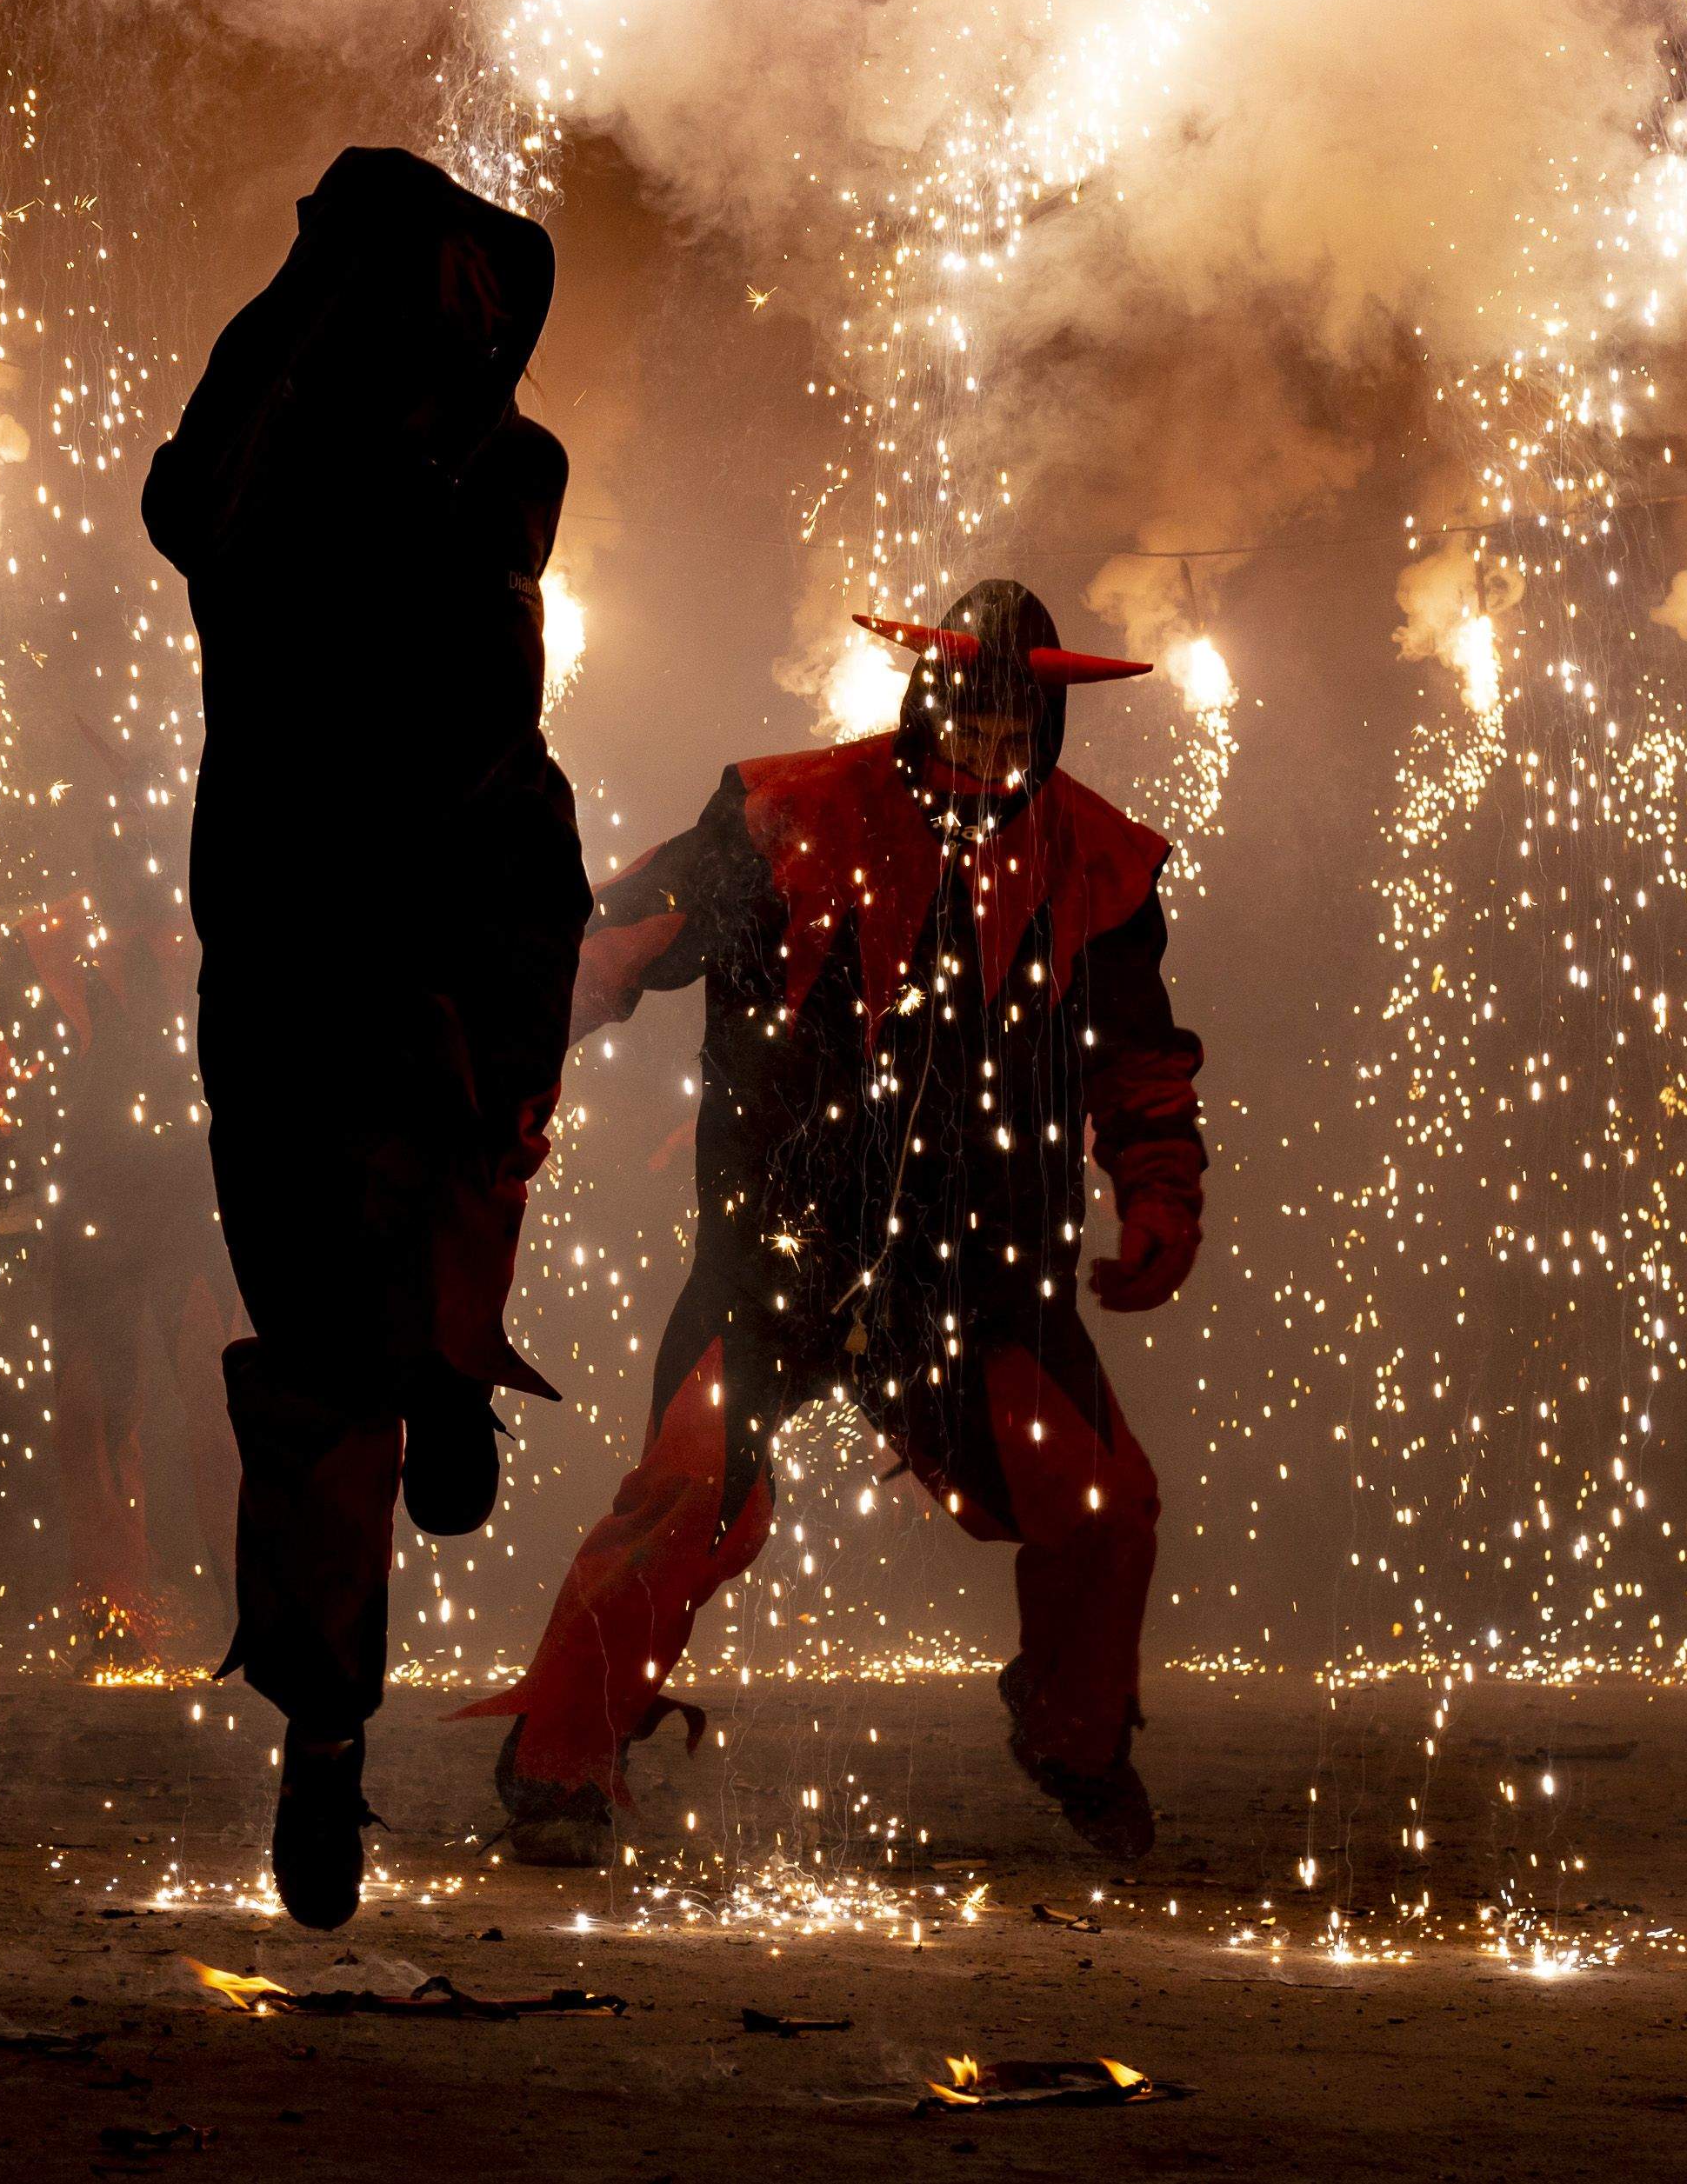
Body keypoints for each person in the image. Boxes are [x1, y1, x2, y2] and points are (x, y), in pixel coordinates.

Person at [462, 581, 1202, 1864]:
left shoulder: (1097, 861)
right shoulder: (783, 814)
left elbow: (1137, 1064)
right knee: (684, 1497)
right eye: (961, 721)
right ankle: (557, 1768)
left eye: (1008, 728)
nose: (979, 750)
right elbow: (614, 943)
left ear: (1046, 727)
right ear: (923, 707)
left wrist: (1159, 1197)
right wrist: (506, 1052)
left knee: (1099, 1502)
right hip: (776, 1256)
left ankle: (1075, 1740)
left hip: (982, 1281)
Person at [143, 146, 591, 1928]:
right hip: (332, 946)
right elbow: (201, 501)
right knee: (340, 1327)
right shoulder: (318, 480)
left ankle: (437, 1376)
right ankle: (330, 1710)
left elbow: (199, 503)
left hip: (374, 935)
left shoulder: (430, 472)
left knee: (410, 1242)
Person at [0, 836, 242, 1669]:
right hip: (91, 1212)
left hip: (190, 1203)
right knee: (89, 1417)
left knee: (221, 1412)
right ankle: (116, 1628)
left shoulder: (212, 931)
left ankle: (258, 1614)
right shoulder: (42, 951)